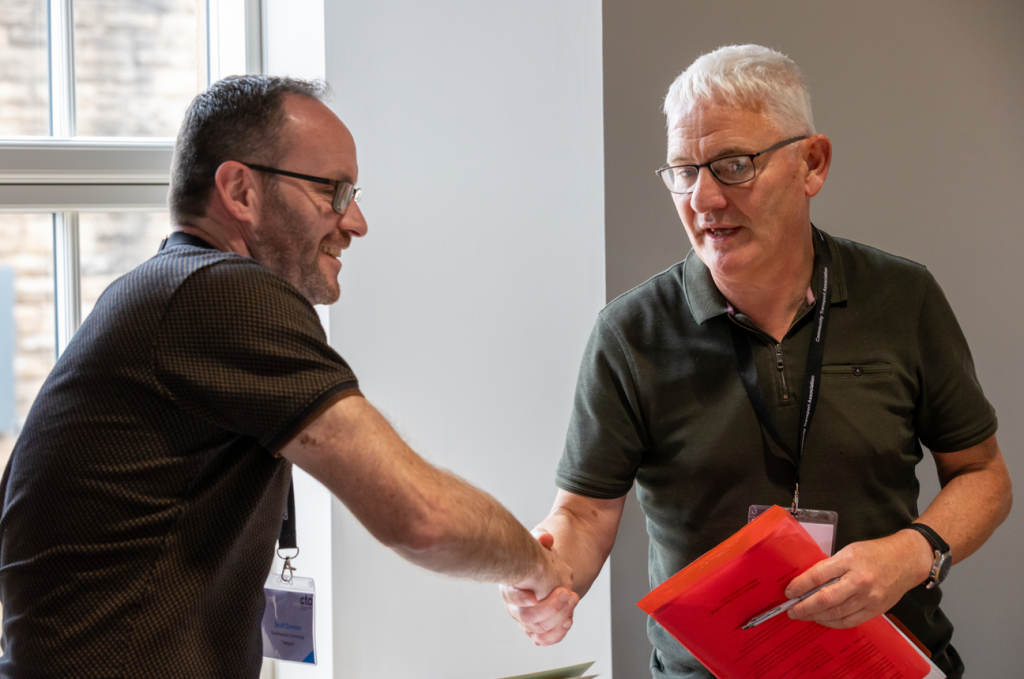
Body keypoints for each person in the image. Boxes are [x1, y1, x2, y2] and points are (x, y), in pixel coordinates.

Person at [0, 75, 571, 679]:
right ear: (240, 190)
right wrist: (538, 568)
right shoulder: (223, 292)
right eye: (334, 191)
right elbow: (422, 517)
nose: (356, 222)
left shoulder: (159, 292)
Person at [501, 45, 1012, 679]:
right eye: (683, 171)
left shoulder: (903, 299)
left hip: (885, 665)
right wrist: (551, 574)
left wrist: (912, 553)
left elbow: (984, 475)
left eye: (734, 165)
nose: (704, 198)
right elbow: (582, 513)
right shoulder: (630, 332)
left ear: (812, 163)